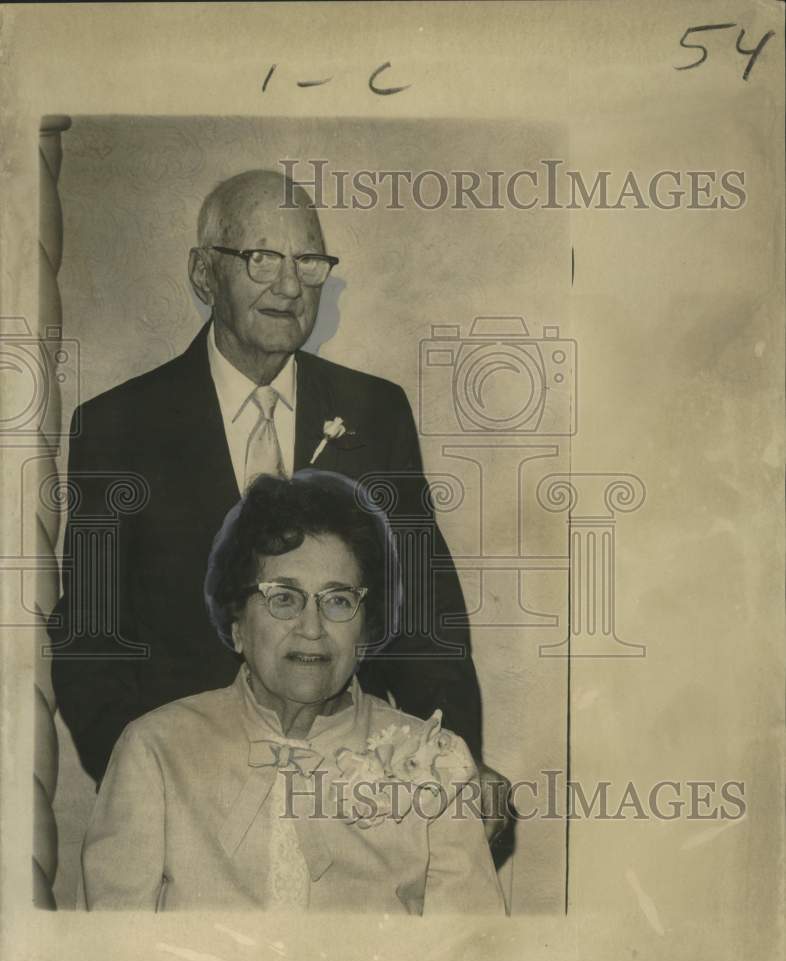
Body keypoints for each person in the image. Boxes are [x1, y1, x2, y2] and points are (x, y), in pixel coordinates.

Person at [50, 169, 508, 837]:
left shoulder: (375, 414)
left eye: (310, 261)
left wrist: (452, 764)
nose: (291, 286)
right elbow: (90, 639)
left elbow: (426, 619)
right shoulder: (120, 425)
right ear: (205, 273)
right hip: (189, 799)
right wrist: (148, 785)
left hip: (351, 800)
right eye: (261, 258)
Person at [78, 471, 505, 913]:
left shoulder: (432, 762)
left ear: (366, 631)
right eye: (284, 598)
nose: (312, 627)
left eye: (338, 600)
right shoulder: (155, 752)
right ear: (237, 624)